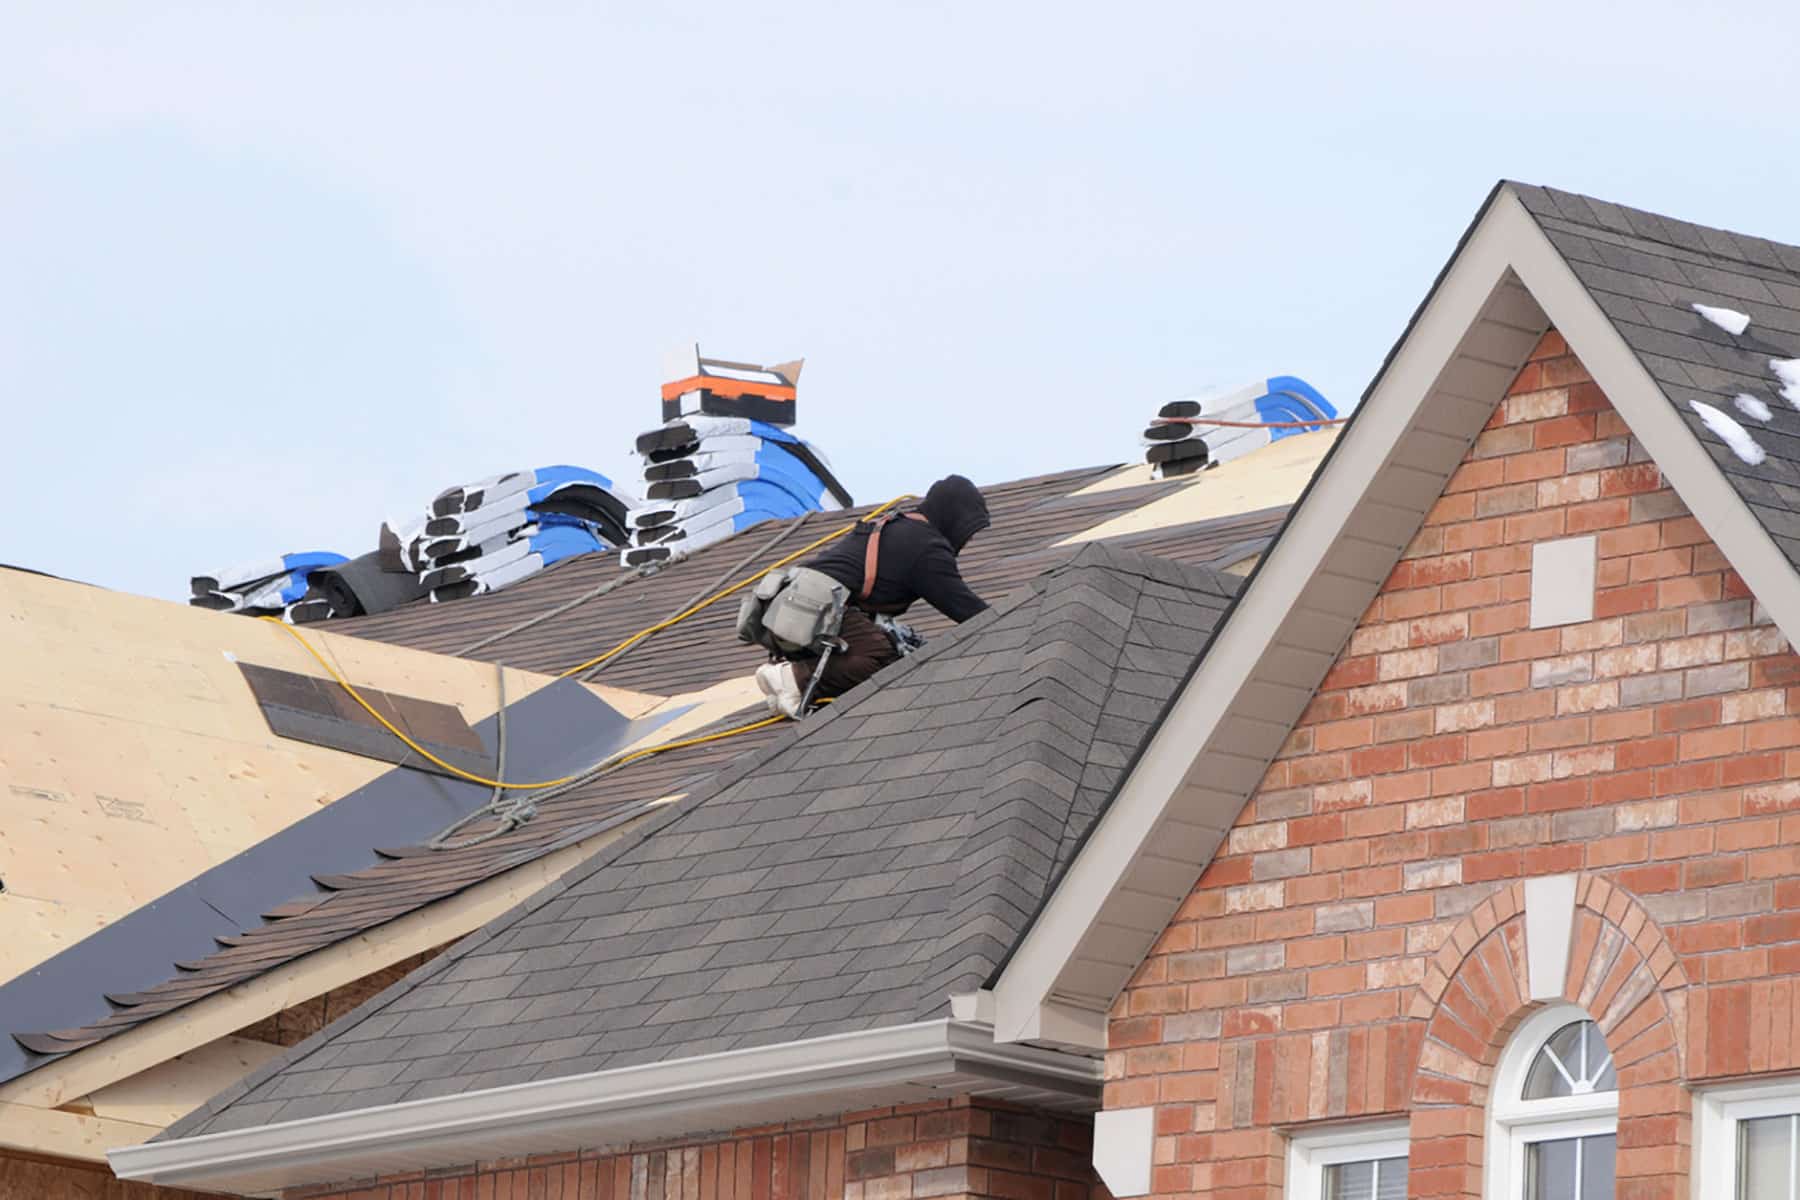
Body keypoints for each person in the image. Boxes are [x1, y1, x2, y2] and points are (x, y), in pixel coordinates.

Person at [754, 474, 990, 716]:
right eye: (967, 532)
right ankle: (790, 678)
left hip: (791, 606)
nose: (966, 541)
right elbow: (965, 608)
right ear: (954, 519)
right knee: (881, 656)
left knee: (890, 651)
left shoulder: (902, 529)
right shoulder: (926, 547)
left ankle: (791, 687)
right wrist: (1013, 619)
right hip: (816, 608)